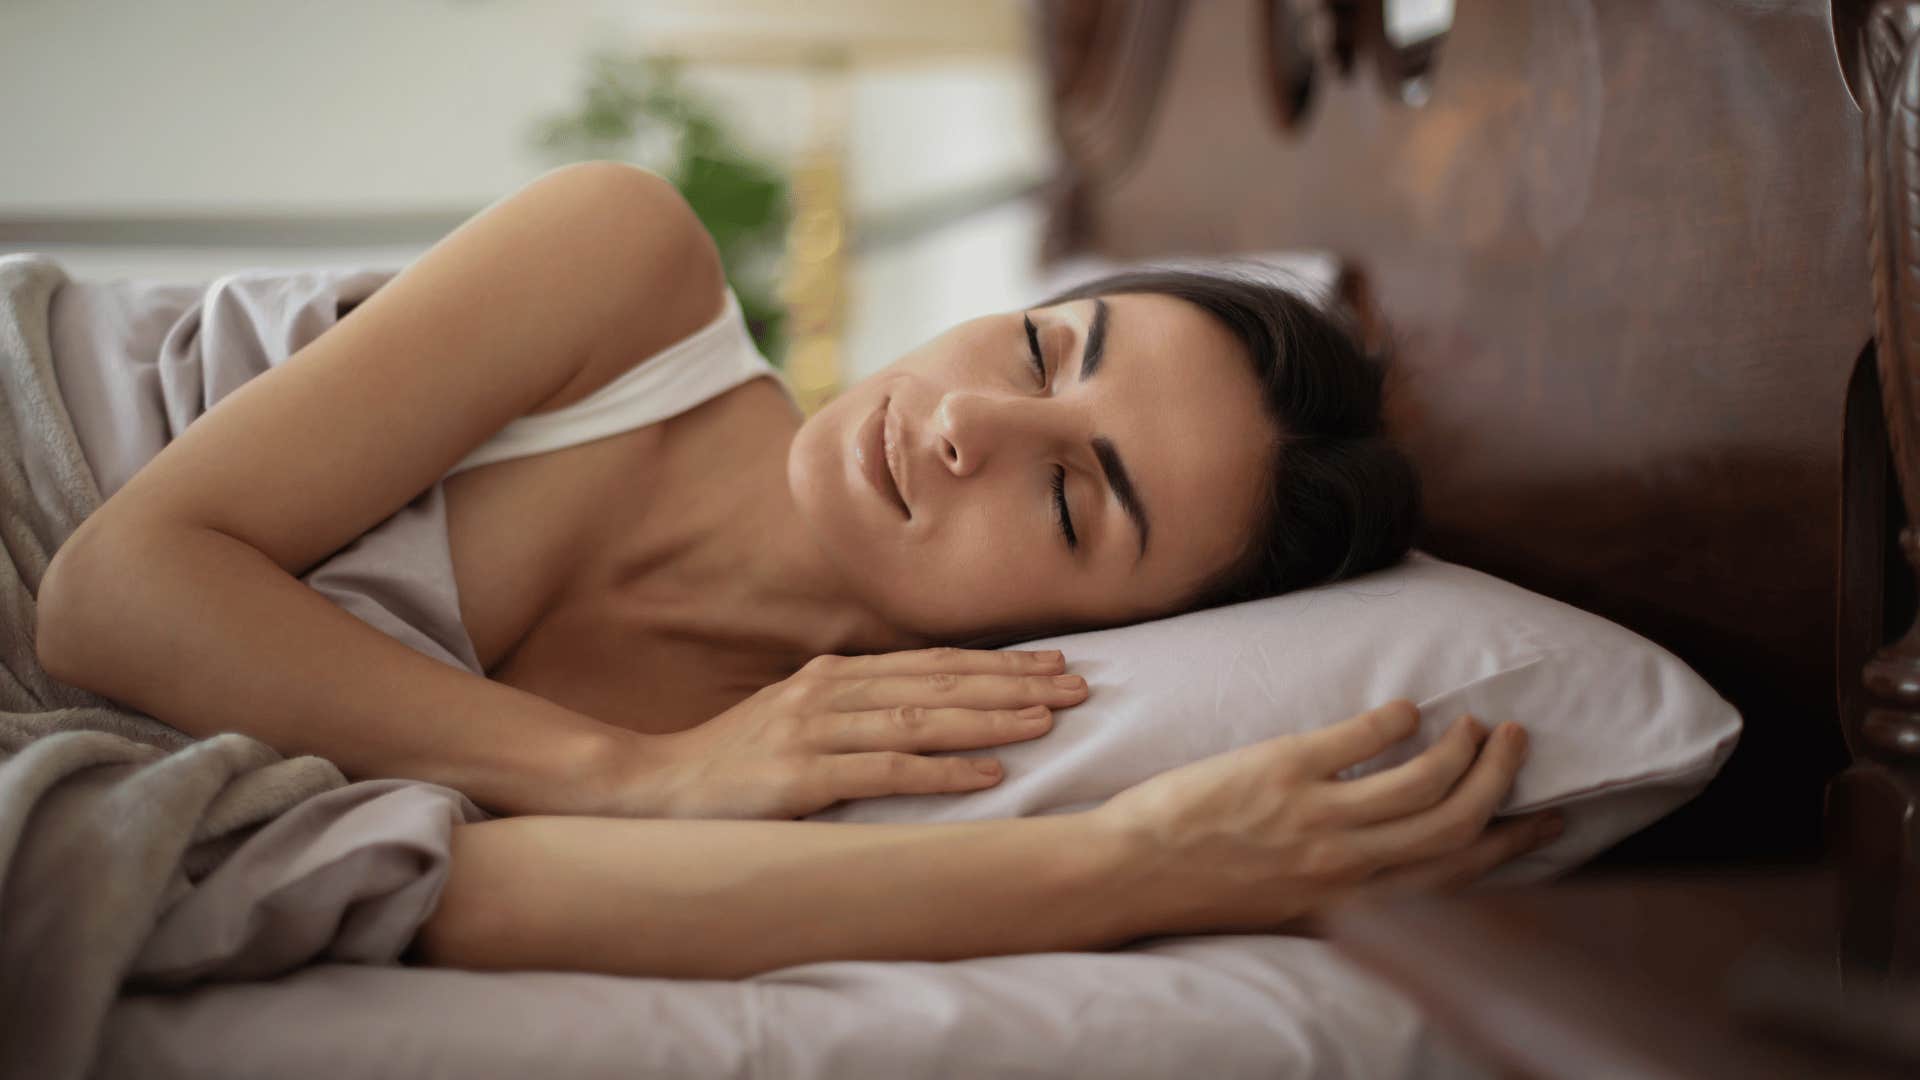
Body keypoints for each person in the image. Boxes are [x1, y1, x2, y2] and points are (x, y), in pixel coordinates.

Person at [34, 162, 1557, 979]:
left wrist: (1150, 854)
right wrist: (630, 771)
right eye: (1043, 349)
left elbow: (463, 905)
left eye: (1077, 502)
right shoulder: (623, 268)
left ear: (1104, 636)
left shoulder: (840, 758)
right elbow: (114, 590)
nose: (969, 423)